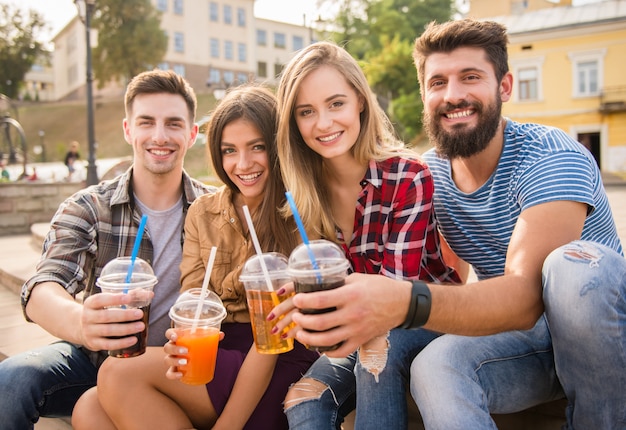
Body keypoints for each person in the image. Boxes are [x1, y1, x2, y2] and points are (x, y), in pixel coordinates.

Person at [272, 19, 625, 429]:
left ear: (505, 87)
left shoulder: (549, 156)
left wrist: (401, 301)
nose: (453, 94)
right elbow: (450, 278)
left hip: (598, 339)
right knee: (436, 365)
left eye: (470, 77)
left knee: (570, 266)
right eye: (438, 82)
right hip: (522, 345)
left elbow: (526, 297)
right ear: (424, 95)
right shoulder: (433, 174)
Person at [71, 84, 319, 430]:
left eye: (257, 147)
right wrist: (177, 345)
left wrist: (227, 425)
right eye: (229, 150)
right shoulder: (203, 212)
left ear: (277, 147)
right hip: (216, 354)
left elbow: (273, 342)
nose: (243, 164)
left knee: (116, 373)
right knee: (88, 408)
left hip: (274, 360)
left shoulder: (295, 211)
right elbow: (192, 300)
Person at [0, 69, 215, 429]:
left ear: (192, 135)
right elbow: (42, 288)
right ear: (128, 129)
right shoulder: (88, 207)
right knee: (11, 380)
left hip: (185, 368)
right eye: (146, 122)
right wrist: (82, 323)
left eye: (174, 124)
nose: (159, 136)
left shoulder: (215, 210)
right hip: (100, 361)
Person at [271, 41, 461, 429]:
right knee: (303, 402)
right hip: (355, 329)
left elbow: (391, 299)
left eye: (335, 103)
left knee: (378, 350)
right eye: (306, 112)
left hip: (424, 320)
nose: (323, 123)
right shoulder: (301, 196)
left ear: (359, 100)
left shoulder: (407, 176)